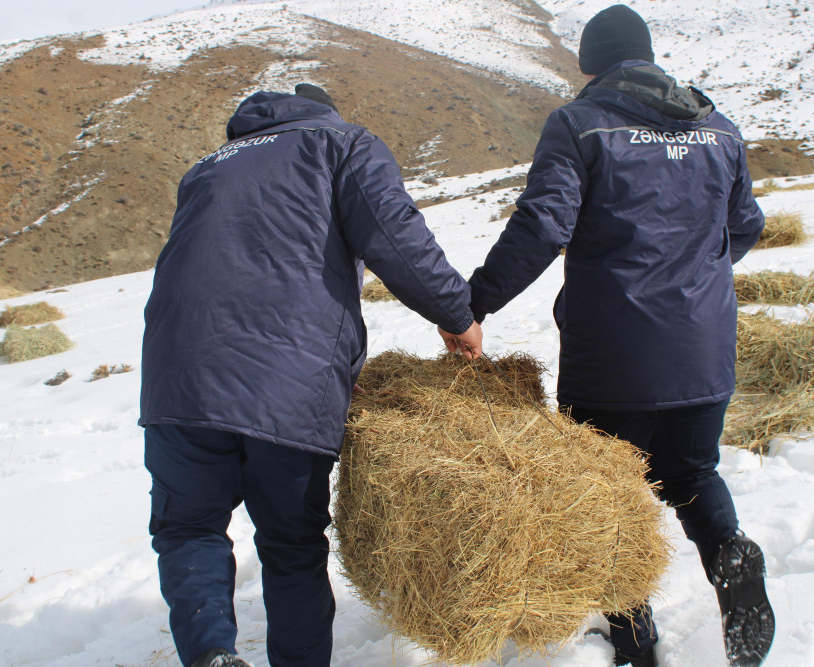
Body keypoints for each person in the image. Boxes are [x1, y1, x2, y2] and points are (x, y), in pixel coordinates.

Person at [467, 6, 772, 667]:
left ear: (589, 64)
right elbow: (745, 225)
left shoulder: (580, 124)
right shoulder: (717, 128)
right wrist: (693, 275)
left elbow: (542, 226)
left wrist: (473, 304)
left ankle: (634, 641)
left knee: (605, 495)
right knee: (692, 471)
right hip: (703, 350)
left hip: (612, 357)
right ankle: (729, 552)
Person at [140, 83, 482, 667]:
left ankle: (211, 654)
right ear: (324, 112)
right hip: (287, 381)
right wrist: (456, 315)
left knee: (188, 529)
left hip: (178, 378)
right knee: (291, 544)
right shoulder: (341, 143)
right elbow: (393, 235)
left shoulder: (207, 167)